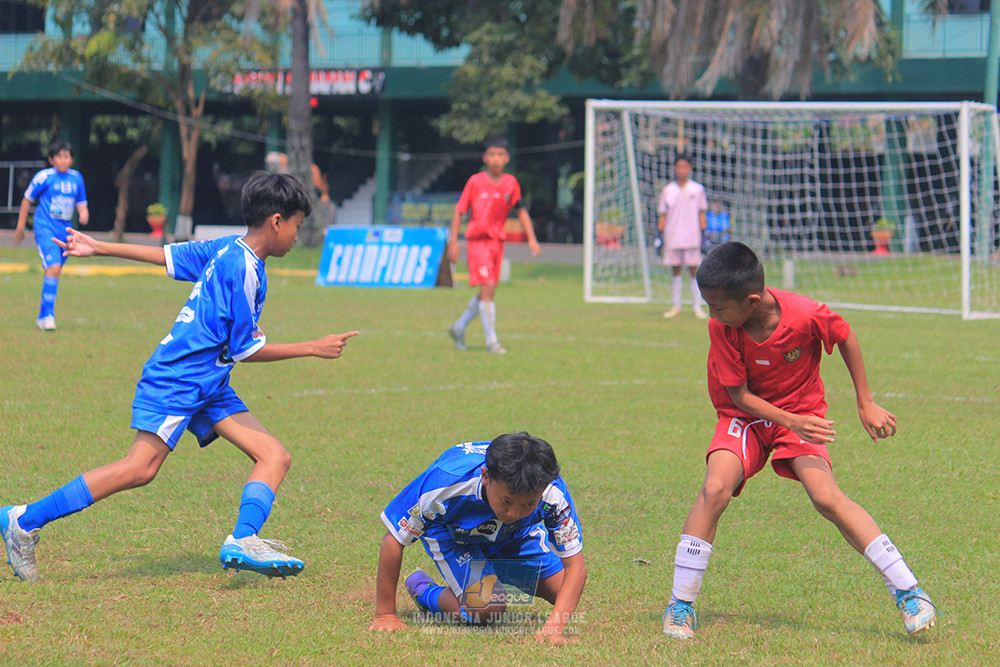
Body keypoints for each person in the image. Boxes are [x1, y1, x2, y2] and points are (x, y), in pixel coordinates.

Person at [1, 172, 359, 583]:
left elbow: (167, 256)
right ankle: (24, 519)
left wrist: (99, 246)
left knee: (274, 455)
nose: (298, 235)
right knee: (140, 468)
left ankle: (243, 540)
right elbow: (247, 350)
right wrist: (313, 347)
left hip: (210, 381)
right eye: (297, 224)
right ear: (276, 221)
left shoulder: (228, 249)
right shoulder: (239, 266)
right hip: (181, 378)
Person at [661, 241, 936, 639]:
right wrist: (792, 420)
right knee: (715, 487)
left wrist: (865, 402)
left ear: (751, 301)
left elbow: (844, 335)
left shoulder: (805, 314)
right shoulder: (721, 326)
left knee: (826, 497)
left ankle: (910, 592)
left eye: (718, 306)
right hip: (746, 417)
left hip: (799, 416)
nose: (711, 313)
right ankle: (680, 606)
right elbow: (739, 397)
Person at [369, 432, 587, 645]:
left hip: (513, 534)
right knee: (488, 607)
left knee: (563, 594)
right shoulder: (446, 482)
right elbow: (394, 539)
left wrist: (553, 629)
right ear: (485, 476)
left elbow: (575, 566)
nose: (513, 513)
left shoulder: (551, 491)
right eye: (506, 501)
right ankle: (425, 591)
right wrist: (385, 615)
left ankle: (489, 570)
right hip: (452, 532)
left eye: (529, 504)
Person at [446, 137, 541, 355]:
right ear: (484, 158)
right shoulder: (475, 182)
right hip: (478, 243)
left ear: (506, 159)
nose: (496, 159)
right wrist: (454, 242)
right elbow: (459, 211)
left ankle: (458, 327)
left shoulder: (511, 183)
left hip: (498, 243)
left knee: (487, 291)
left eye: (500, 154)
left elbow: (521, 210)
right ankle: (492, 341)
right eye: (491, 154)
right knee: (488, 288)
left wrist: (532, 238)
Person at [13, 139, 90, 331]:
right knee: (54, 268)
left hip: (65, 231)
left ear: (72, 159)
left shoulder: (76, 178)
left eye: (67, 156)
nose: (63, 160)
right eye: (59, 157)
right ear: (51, 159)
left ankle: (42, 316)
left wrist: (84, 213)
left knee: (54, 271)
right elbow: (26, 200)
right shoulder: (43, 177)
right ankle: (48, 316)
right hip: (45, 227)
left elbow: (81, 202)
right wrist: (21, 227)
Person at [656, 153, 707, 320]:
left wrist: (704, 233)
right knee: (675, 270)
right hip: (673, 235)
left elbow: (701, 213)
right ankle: (676, 306)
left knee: (694, 270)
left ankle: (697, 306)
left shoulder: (697, 189)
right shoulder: (668, 190)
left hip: (692, 235)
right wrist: (659, 235)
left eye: (685, 167)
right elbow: (662, 215)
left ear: (690, 169)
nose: (682, 170)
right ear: (674, 169)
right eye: (679, 167)